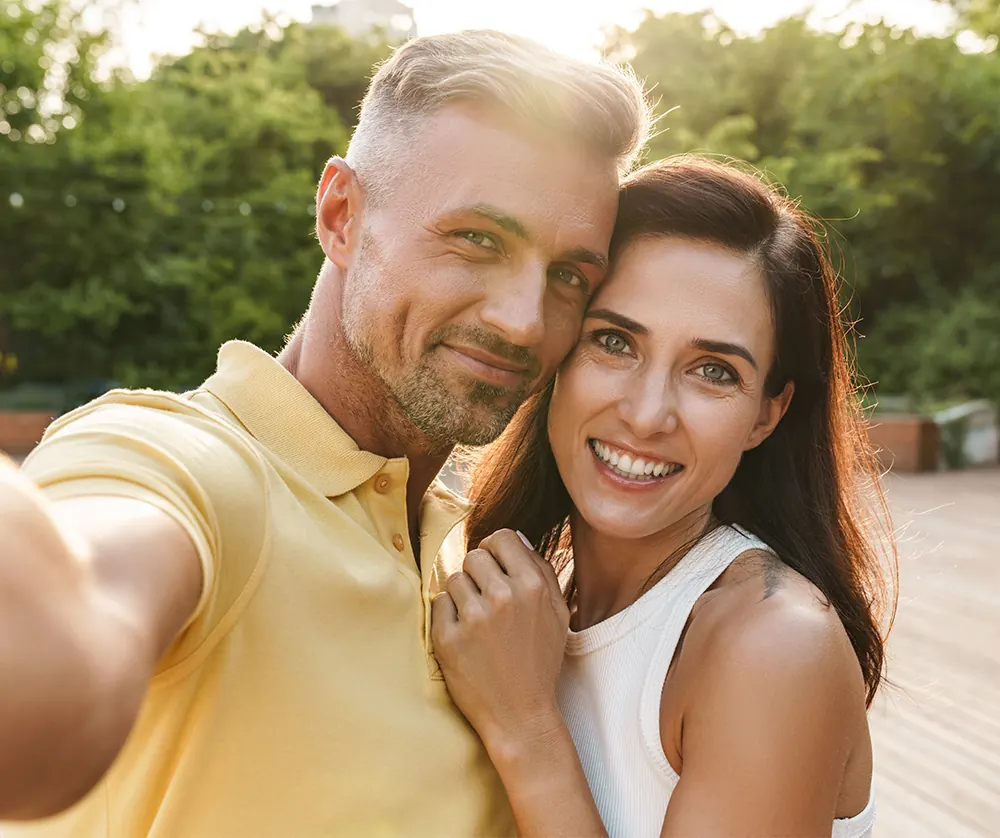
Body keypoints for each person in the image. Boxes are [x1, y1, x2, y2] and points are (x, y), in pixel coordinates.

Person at [0, 31, 651, 837]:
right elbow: (73, 609)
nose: (523, 321)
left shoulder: (477, 562)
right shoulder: (194, 468)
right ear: (342, 215)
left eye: (570, 277)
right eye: (477, 240)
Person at [431, 156, 897, 838]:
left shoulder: (772, 645)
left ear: (767, 413)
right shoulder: (525, 599)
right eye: (614, 341)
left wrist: (527, 731)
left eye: (713, 371)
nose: (648, 414)